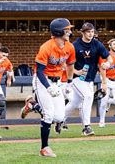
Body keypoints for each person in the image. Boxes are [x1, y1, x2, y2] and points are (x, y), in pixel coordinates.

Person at [30, 18, 76, 157]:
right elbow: (39, 71)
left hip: (58, 82)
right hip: (43, 81)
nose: (69, 32)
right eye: (67, 29)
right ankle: (44, 148)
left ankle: (33, 105)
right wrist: (48, 88)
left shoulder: (69, 46)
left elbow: (70, 65)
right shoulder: (46, 47)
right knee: (49, 114)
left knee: (59, 117)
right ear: (58, 31)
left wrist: (69, 82)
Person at [63, 22, 112, 136]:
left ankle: (59, 119)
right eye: (88, 32)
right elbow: (66, 64)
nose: (90, 34)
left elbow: (108, 57)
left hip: (89, 79)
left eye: (92, 31)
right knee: (88, 96)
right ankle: (86, 127)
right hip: (77, 79)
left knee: (74, 103)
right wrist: (76, 71)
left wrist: (108, 64)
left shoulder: (96, 44)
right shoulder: (75, 45)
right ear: (82, 32)